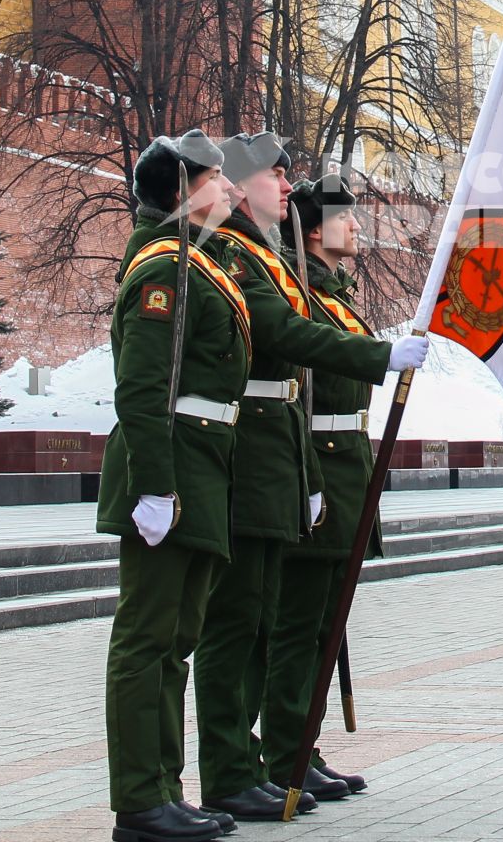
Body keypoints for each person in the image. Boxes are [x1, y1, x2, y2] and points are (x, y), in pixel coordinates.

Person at [195, 134, 431, 821]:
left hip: (308, 462)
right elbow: (288, 341)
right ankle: (265, 759)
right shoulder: (245, 260)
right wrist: (380, 356)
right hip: (279, 461)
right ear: (236, 186)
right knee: (262, 628)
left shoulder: (275, 266)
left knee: (287, 622)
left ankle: (288, 753)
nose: (285, 184)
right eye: (274, 174)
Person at [98, 131, 249, 842]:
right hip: (170, 466)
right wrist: (154, 485)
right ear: (182, 189)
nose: (228, 190)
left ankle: (164, 787)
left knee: (175, 641)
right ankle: (138, 800)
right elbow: (142, 385)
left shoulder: (197, 264)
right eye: (216, 178)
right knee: (147, 640)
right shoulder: (165, 267)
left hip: (200, 464)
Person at [258, 173, 380, 801]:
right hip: (319, 471)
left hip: (346, 471)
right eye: (343, 217)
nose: (355, 225)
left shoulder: (332, 294)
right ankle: (284, 755)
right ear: (311, 231)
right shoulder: (300, 296)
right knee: (299, 628)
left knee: (323, 627)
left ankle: (304, 744)